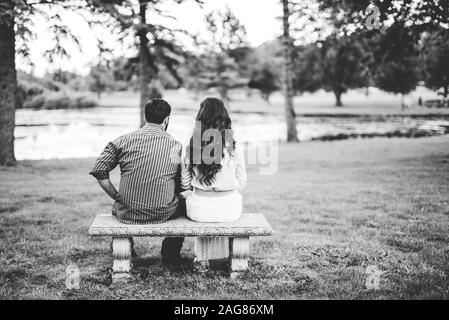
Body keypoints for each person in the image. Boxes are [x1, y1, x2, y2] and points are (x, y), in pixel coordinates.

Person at [89, 99, 184, 265]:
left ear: (144, 116)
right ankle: (170, 256)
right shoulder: (175, 145)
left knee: (115, 207)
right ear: (167, 120)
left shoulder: (122, 141)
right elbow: (178, 182)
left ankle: (126, 249)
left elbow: (99, 170)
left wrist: (116, 196)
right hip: (164, 212)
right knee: (183, 204)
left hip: (128, 212)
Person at [181, 97, 247, 222]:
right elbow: (241, 183)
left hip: (198, 211)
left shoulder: (193, 145)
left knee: (185, 197)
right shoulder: (233, 146)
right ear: (224, 118)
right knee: (236, 196)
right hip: (229, 211)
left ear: (200, 119)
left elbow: (185, 184)